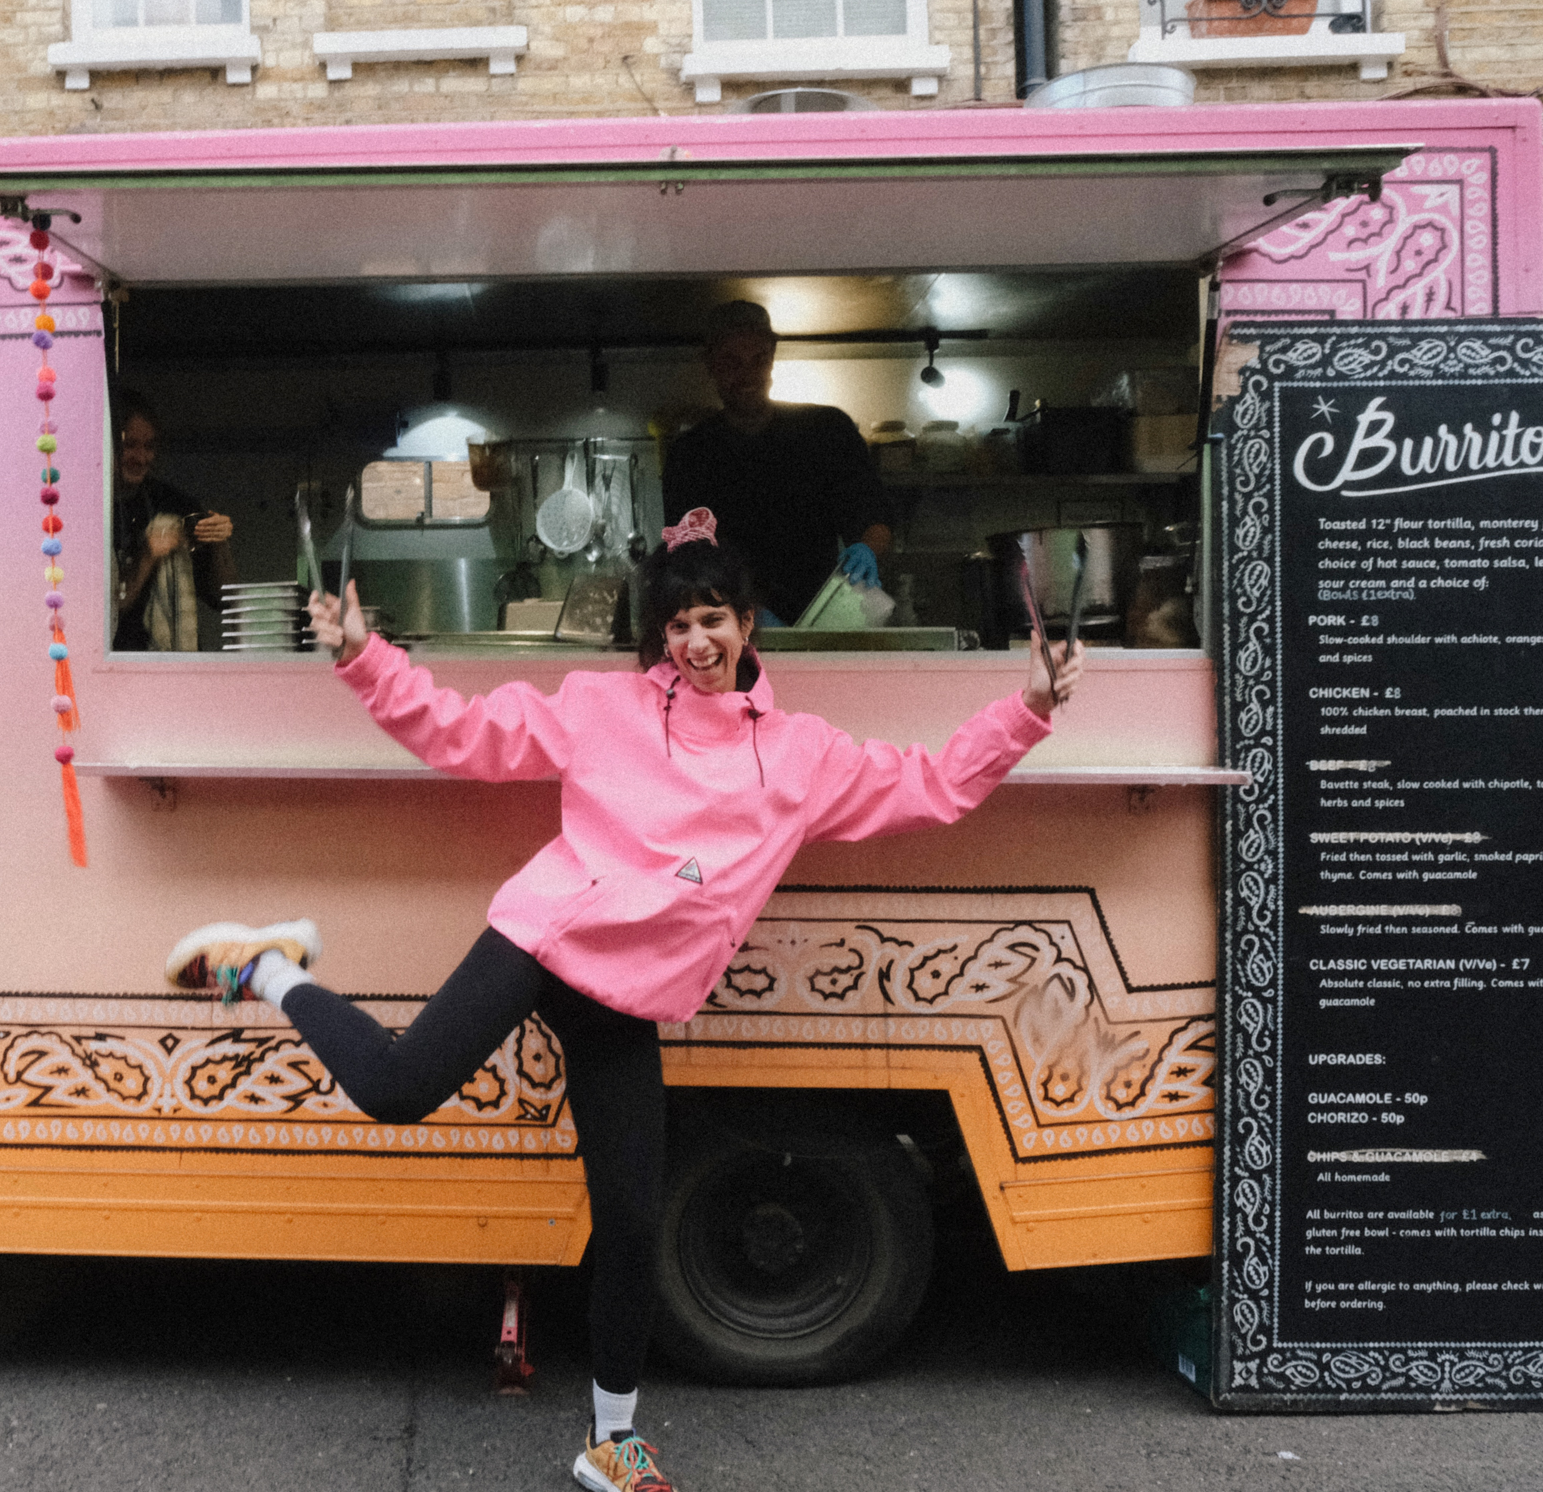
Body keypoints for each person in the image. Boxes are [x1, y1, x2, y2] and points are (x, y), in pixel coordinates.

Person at [159, 508, 1081, 1492]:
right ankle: (273, 969)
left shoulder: (801, 756)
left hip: (630, 995)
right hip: (547, 939)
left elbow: (930, 785)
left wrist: (1026, 709)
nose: (696, 642)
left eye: (714, 619)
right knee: (396, 1088)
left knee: (634, 1223)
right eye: (678, 625)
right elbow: (467, 735)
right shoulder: (606, 708)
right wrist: (362, 656)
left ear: (749, 625)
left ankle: (613, 1441)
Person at [662, 300, 895, 627]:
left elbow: (873, 517)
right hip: (735, 630)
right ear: (710, 364)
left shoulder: (827, 430)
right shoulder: (690, 454)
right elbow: (688, 559)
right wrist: (745, 611)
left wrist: (866, 550)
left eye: (759, 360)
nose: (747, 375)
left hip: (823, 623)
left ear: (772, 357)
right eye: (732, 362)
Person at [108, 390, 236, 650]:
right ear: (108, 445)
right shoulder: (87, 511)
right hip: (113, 660)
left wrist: (219, 542)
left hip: (171, 663)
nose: (140, 458)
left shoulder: (174, 505)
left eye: (149, 447)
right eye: (129, 445)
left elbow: (226, 599)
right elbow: (106, 608)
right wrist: (148, 554)